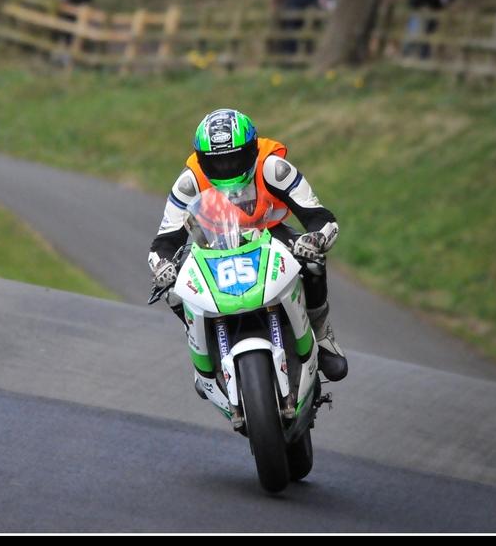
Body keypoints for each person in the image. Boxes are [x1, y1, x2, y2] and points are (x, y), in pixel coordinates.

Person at [147, 108, 347, 387]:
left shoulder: (273, 167)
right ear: (202, 159)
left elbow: (319, 216)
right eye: (217, 162)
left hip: (269, 232)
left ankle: (322, 335)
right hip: (212, 243)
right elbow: (165, 240)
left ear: (252, 149)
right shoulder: (189, 182)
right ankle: (205, 352)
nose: (227, 168)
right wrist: (162, 266)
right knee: (173, 289)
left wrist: (314, 239)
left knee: (312, 262)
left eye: (235, 158)